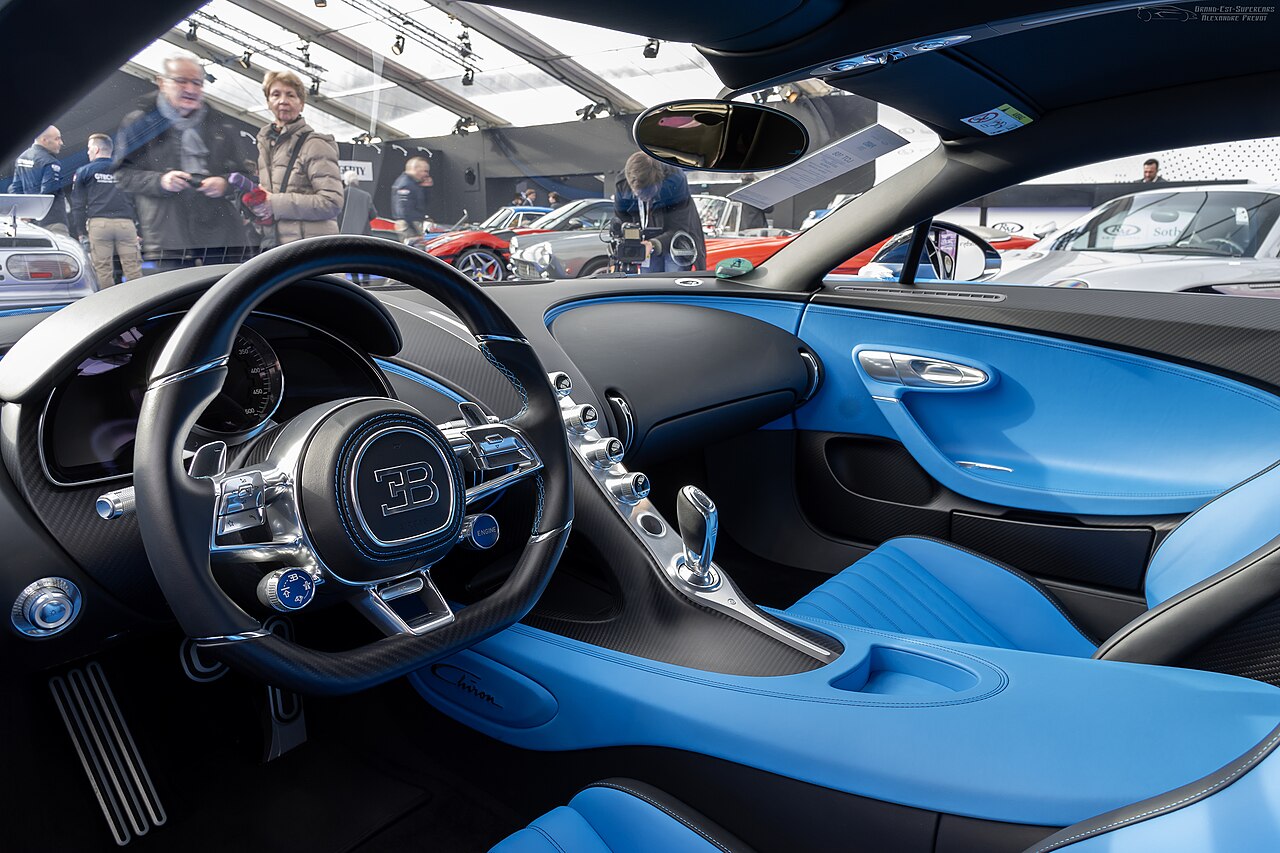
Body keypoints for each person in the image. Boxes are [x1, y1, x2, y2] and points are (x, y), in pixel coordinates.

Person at [113, 50, 252, 270]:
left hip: (220, 234)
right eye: (181, 81)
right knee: (173, 298)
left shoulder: (220, 124)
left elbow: (244, 175)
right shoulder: (139, 123)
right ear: (162, 83)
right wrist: (161, 181)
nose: (191, 89)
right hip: (167, 234)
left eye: (197, 83)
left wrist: (224, 183)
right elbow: (122, 175)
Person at [248, 70, 342, 247]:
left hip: (310, 251)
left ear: (302, 104)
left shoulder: (315, 144)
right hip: (278, 249)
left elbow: (331, 202)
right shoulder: (266, 144)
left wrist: (273, 204)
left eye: (290, 95)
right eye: (276, 94)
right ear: (268, 102)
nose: (283, 100)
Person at [613, 151, 707, 273]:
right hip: (645, 243)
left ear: (660, 182)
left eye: (649, 195)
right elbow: (622, 221)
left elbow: (679, 227)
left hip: (676, 240)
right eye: (639, 195)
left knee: (673, 281)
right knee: (649, 283)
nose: (645, 199)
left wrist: (654, 244)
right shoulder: (622, 185)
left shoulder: (675, 180)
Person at [70, 133, 142, 286]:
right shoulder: (124, 170)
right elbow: (137, 200)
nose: (88, 152)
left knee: (103, 270)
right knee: (133, 269)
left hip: (99, 225)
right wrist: (139, 229)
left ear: (95, 149)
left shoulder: (84, 172)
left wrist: (81, 232)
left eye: (89, 149)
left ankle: (109, 305)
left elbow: (78, 205)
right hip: (126, 224)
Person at [9, 126, 69, 235]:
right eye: (57, 139)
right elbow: (48, 192)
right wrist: (31, 214)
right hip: (52, 221)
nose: (61, 142)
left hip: (30, 224)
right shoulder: (50, 162)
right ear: (44, 140)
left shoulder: (22, 158)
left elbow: (15, 189)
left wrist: (24, 213)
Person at [339, 170, 378, 283]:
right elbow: (373, 214)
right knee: (365, 260)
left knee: (351, 261)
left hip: (346, 234)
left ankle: (356, 283)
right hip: (364, 234)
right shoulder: (366, 196)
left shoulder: (341, 195)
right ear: (357, 181)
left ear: (345, 181)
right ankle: (367, 282)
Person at [391, 156, 432, 239]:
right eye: (424, 171)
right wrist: (414, 229)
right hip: (408, 226)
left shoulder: (415, 183)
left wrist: (426, 188)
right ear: (414, 169)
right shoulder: (405, 184)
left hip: (415, 223)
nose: (426, 174)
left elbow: (424, 204)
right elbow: (404, 211)